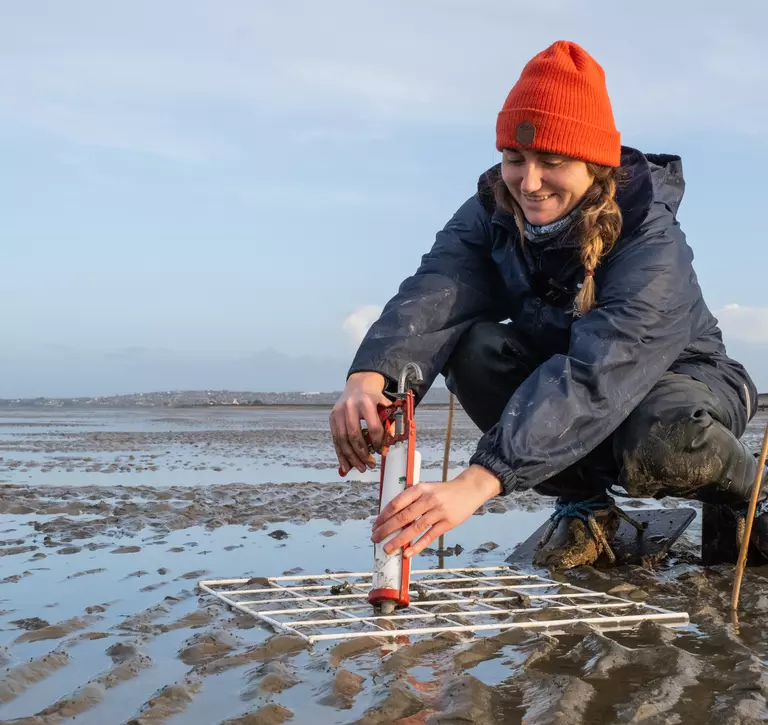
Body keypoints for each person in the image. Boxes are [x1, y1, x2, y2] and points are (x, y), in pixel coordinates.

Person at [329, 40, 767, 569]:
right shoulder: (492, 210)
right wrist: (371, 378)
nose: (529, 182)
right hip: (566, 379)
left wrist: (477, 481)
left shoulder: (651, 242)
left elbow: (597, 373)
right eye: (515, 159)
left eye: (551, 162)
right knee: (475, 347)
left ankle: (751, 496)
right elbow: (437, 290)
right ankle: (586, 507)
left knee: (658, 440)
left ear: (594, 164)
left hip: (685, 382)